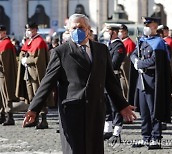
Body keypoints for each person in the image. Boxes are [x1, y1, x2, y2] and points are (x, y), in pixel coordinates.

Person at [22, 14, 137, 154]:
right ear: (69, 30)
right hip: (72, 111)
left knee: (94, 149)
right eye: (74, 27)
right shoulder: (60, 52)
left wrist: (122, 105)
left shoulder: (101, 50)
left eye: (81, 27)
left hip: (95, 110)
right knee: (75, 150)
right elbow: (47, 82)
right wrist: (34, 109)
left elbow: (111, 82)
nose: (78, 30)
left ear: (88, 29)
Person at [129, 17, 172, 149]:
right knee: (144, 112)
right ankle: (146, 137)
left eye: (149, 25)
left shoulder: (159, 43)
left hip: (153, 81)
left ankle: (156, 138)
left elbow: (155, 61)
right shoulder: (142, 40)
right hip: (141, 81)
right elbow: (133, 54)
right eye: (145, 25)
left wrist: (140, 64)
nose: (146, 27)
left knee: (154, 111)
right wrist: (136, 62)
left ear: (155, 27)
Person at [16, 22, 50, 129]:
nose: (28, 32)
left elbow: (38, 60)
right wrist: (23, 58)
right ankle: (34, 118)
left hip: (36, 73)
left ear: (35, 30)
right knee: (31, 96)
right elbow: (22, 53)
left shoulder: (39, 42)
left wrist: (27, 60)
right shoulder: (28, 41)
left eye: (29, 30)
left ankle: (43, 119)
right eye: (27, 30)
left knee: (39, 96)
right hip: (28, 72)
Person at [103, 24, 126, 145]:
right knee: (106, 105)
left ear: (114, 32)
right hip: (105, 79)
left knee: (115, 106)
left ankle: (117, 132)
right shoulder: (108, 45)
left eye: (108, 31)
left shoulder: (119, 45)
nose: (106, 33)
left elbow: (114, 63)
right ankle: (108, 130)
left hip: (113, 78)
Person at [0, 25, 17, 126]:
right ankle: (2, 114)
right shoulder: (2, 43)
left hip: (4, 73)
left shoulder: (6, 44)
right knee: (1, 96)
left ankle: (9, 116)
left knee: (6, 94)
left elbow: (4, 62)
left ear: (3, 32)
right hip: (1, 73)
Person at [119, 24, 136, 99]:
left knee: (128, 81)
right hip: (121, 66)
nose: (120, 33)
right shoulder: (121, 41)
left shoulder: (130, 43)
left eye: (121, 31)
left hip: (126, 65)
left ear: (125, 32)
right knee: (123, 83)